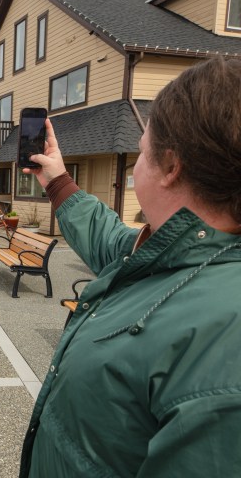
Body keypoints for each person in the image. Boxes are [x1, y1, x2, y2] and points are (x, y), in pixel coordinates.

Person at [19, 56, 241, 477]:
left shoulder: (226, 341)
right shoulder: (178, 254)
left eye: (141, 152)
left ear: (172, 167)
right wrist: (58, 181)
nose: (136, 165)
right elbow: (113, 242)